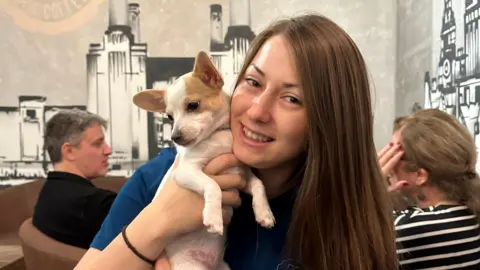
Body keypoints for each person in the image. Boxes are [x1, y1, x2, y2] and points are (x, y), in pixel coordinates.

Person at [75, 13, 398, 270]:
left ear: (329, 121)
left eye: (291, 99)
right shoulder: (158, 176)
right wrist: (157, 222)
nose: (257, 111)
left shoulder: (346, 216)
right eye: (253, 82)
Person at [378, 108, 480, 269]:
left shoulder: (406, 229)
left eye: (394, 155)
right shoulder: (471, 215)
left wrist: (368, 191)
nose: (389, 166)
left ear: (420, 174)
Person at [32, 109, 117, 249]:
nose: (108, 150)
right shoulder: (93, 204)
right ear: (69, 152)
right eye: (98, 143)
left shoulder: (49, 193)